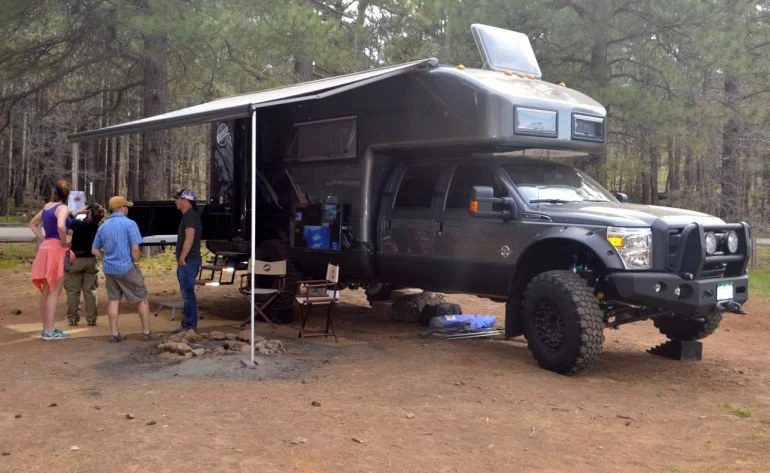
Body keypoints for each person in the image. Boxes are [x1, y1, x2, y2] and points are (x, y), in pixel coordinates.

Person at [91, 196, 161, 342]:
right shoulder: (130, 224)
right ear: (122, 208)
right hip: (127, 267)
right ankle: (146, 332)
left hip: (110, 270)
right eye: (126, 206)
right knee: (141, 298)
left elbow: (94, 250)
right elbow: (135, 248)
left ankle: (114, 334)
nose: (127, 209)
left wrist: (105, 259)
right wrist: (135, 263)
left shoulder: (103, 226)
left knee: (114, 300)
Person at [28, 179, 73, 340]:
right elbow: (61, 226)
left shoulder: (47, 207)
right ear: (67, 195)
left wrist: (44, 238)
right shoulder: (63, 208)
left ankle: (46, 328)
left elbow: (33, 223)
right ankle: (50, 330)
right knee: (55, 291)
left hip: (45, 249)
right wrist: (63, 240)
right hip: (56, 251)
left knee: (46, 291)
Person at [65, 204, 105, 326]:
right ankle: (91, 319)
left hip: (76, 260)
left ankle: (72, 318)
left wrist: (79, 211)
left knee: (73, 291)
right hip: (91, 260)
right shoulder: (99, 227)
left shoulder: (78, 224)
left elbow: (66, 219)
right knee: (90, 291)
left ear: (88, 213)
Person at [171, 189, 202, 334]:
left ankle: (190, 327)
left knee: (188, 294)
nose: (176, 201)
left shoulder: (190, 216)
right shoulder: (188, 216)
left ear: (184, 200)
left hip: (189, 261)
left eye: (177, 199)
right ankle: (185, 324)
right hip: (188, 261)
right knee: (186, 294)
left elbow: (189, 237)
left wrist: (183, 257)